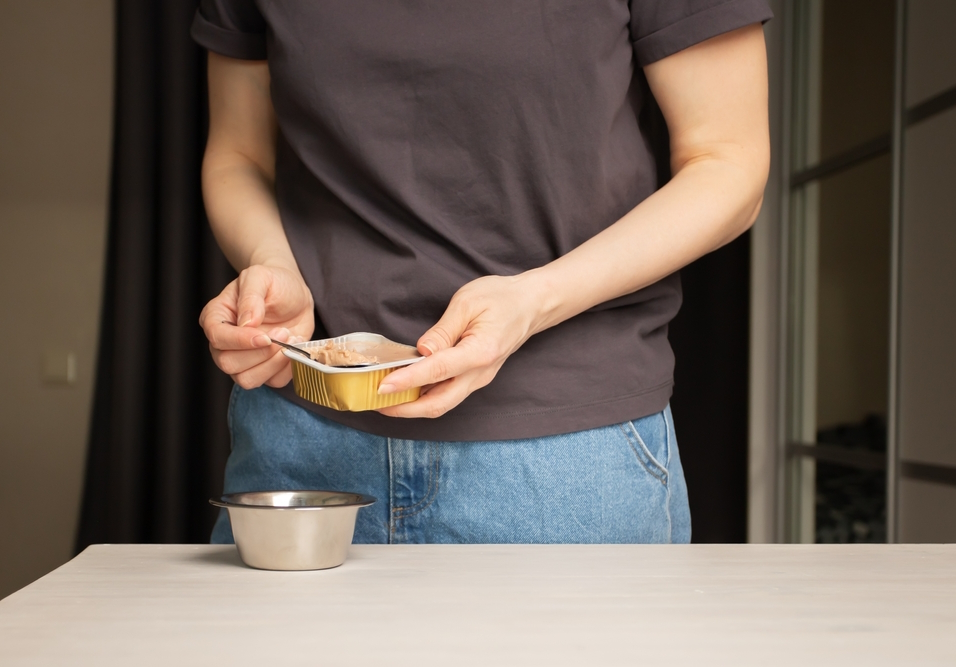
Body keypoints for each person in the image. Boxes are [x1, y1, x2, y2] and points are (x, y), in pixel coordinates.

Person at [191, 0, 772, 544]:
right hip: (301, 442)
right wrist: (269, 263)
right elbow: (239, 154)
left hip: (563, 461)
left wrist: (536, 299)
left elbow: (727, 162)